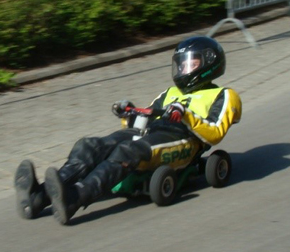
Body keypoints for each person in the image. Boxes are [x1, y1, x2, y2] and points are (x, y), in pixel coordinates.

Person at [14, 36, 242, 225]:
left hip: (183, 139)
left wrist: (186, 114)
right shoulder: (170, 92)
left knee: (128, 152)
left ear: (208, 63)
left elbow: (215, 132)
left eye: (189, 64)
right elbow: (144, 118)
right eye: (180, 64)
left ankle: (75, 197)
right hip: (151, 132)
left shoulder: (224, 96)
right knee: (90, 146)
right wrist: (129, 114)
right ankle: (39, 196)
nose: (183, 69)